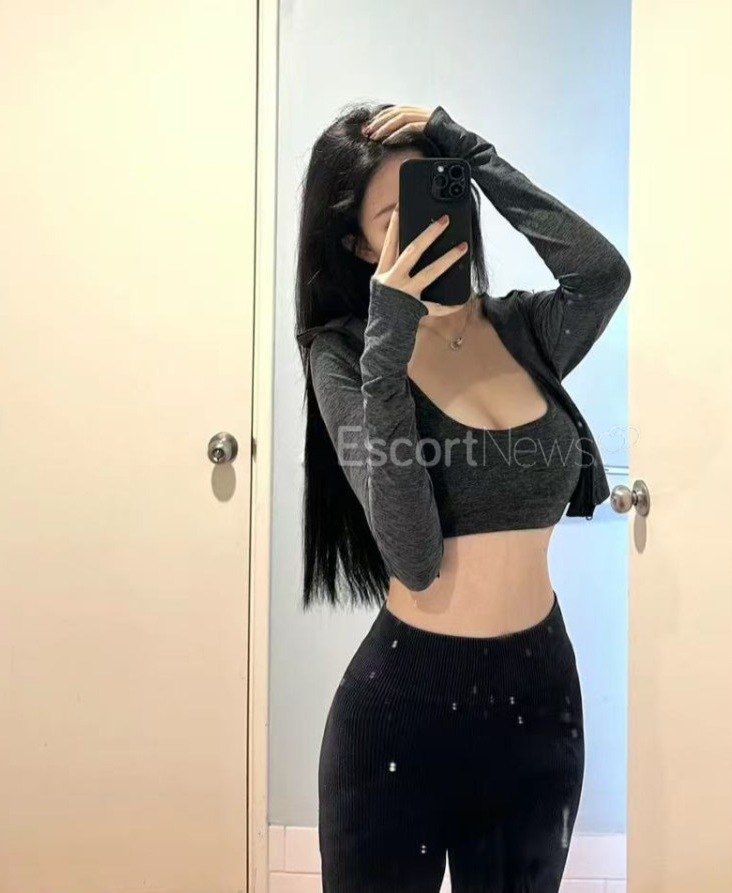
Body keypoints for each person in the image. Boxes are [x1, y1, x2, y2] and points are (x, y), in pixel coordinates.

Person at [295, 103, 630, 893]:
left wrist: (476, 154)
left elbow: (603, 275)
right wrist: (389, 337)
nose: (433, 227)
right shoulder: (344, 355)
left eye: (439, 193)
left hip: (540, 702)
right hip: (399, 718)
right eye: (398, 218)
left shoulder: (524, 330)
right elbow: (413, 557)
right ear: (360, 245)